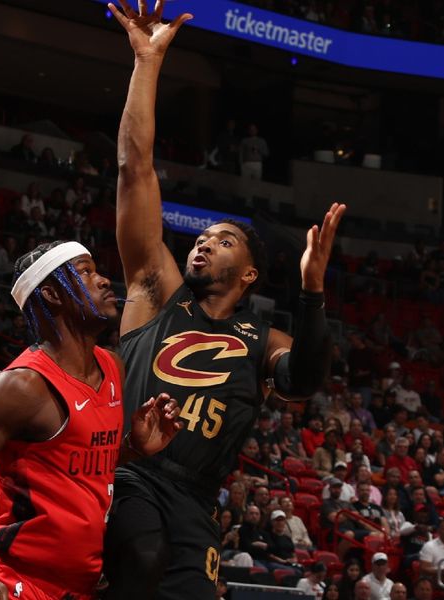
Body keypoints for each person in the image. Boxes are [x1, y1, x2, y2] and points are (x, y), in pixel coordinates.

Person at [103, 2, 344, 598]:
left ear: (251, 273)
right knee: (142, 553)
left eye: (224, 239)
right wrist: (147, 61)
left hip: (195, 500)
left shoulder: (264, 340)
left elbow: (306, 378)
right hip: (128, 474)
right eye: (203, 237)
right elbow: (136, 169)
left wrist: (313, 291)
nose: (205, 243)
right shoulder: (156, 293)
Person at [0, 241, 181, 600]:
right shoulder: (20, 387)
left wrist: (133, 449)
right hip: (17, 583)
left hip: (81, 588)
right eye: (85, 272)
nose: (105, 280)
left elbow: (72, 466)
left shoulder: (112, 366)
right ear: (51, 294)